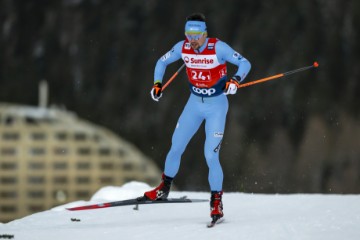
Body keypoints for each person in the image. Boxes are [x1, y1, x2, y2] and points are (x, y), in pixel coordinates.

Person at [143, 13, 251, 221]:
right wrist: (157, 84)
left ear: (205, 34)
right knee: (176, 146)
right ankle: (163, 188)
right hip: (194, 104)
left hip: (217, 106)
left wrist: (235, 81)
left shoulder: (218, 48)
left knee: (210, 155)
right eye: (188, 35)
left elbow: (245, 63)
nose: (192, 40)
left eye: (196, 35)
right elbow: (161, 62)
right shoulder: (182, 48)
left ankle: (216, 203)